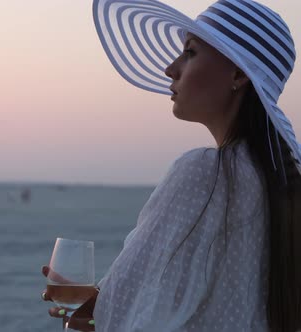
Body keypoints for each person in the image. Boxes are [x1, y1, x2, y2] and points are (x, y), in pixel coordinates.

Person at [42, 0, 301, 331]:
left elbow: (123, 318)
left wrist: (88, 313)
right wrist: (100, 308)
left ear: (237, 73)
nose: (171, 68)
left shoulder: (206, 173)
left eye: (190, 53)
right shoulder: (284, 180)